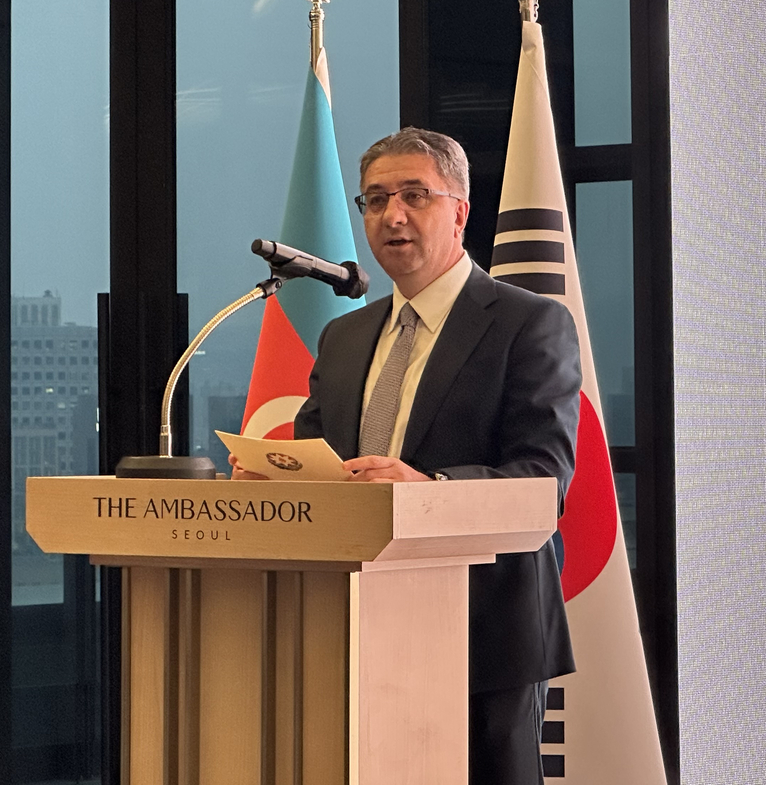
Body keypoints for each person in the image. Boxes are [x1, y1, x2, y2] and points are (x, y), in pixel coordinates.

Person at [231, 126, 581, 785]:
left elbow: (543, 478)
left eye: (414, 195)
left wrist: (426, 486)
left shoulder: (528, 323)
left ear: (459, 213)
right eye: (375, 200)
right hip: (354, 621)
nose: (392, 215)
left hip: (484, 628)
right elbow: (318, 459)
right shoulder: (344, 335)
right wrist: (271, 482)